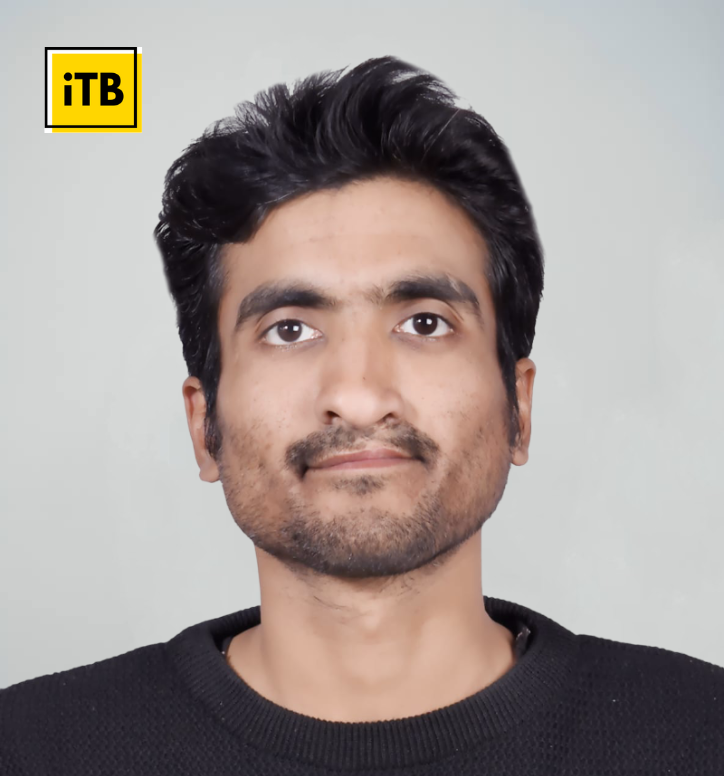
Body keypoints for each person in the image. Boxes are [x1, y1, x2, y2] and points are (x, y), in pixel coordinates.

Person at [1, 55, 722, 775]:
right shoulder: (31, 749)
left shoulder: (700, 736)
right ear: (203, 425)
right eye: (289, 329)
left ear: (519, 407)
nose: (358, 394)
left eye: (425, 323)